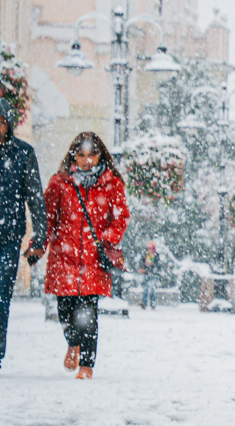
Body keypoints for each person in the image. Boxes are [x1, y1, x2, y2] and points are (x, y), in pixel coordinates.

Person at [43, 132, 129, 380]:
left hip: (93, 260)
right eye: (81, 155)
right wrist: (40, 243)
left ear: (100, 155)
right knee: (64, 311)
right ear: (74, 156)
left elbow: (121, 217)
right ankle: (73, 342)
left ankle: (87, 365)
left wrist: (107, 238)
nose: (87, 160)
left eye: (92, 154)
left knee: (89, 314)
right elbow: (49, 217)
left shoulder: (111, 183)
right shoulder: (60, 182)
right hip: (64, 259)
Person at [0, 97, 47, 372]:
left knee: (1, 296)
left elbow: (35, 198)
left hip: (7, 236)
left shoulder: (22, 153)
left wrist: (39, 237)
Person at [140, 240, 160, 309]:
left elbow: (157, 266)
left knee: (152, 289)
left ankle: (153, 304)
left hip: (153, 275)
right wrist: (142, 269)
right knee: (145, 289)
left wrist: (152, 270)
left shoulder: (156, 256)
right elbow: (142, 263)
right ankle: (144, 303)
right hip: (146, 274)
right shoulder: (145, 255)